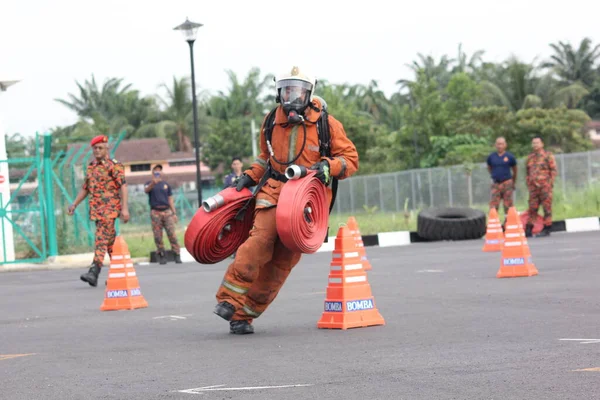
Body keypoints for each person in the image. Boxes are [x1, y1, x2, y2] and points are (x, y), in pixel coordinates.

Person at [213, 66, 359, 334]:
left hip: (307, 203)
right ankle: (228, 300)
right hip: (274, 192)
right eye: (288, 90)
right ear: (280, 92)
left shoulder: (327, 124)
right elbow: (265, 158)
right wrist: (249, 175)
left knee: (281, 264)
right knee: (259, 242)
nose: (292, 97)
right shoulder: (271, 120)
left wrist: (328, 166)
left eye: (298, 91)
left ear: (308, 93)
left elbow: (350, 159)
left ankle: (244, 316)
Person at [68, 135, 130, 287]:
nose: (97, 151)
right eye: (95, 148)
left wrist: (125, 208)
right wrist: (74, 204)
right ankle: (119, 274)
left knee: (101, 239)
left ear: (107, 148)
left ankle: (94, 272)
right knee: (109, 244)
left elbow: (123, 186)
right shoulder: (91, 167)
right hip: (97, 211)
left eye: (100, 148)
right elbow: (86, 188)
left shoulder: (113, 166)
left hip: (109, 210)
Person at [144, 164, 182, 264]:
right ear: (152, 172)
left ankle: (177, 254)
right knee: (157, 236)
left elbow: (170, 199)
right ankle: (161, 254)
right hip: (155, 212)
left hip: (166, 211)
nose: (158, 172)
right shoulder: (149, 183)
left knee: (172, 234)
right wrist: (153, 183)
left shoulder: (166, 185)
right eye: (155, 170)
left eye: (159, 170)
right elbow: (146, 190)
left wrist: (174, 213)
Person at [525, 136, 557, 238]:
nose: (535, 145)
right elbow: (528, 172)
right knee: (532, 208)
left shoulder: (548, 155)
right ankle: (529, 228)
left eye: (537, 143)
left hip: (545, 187)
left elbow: (553, 170)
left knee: (546, 207)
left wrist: (550, 184)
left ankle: (547, 227)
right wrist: (529, 183)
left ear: (542, 144)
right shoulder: (530, 157)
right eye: (533, 143)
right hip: (533, 188)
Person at [486, 136, 518, 228]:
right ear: (495, 145)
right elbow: (489, 168)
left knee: (508, 205)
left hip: (507, 182)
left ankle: (508, 224)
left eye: (502, 144)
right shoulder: (491, 157)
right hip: (496, 183)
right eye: (498, 144)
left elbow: (515, 170)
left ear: (505, 145)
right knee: (493, 205)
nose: (500, 146)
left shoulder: (510, 157)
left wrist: (513, 182)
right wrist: (494, 175)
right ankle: (494, 225)